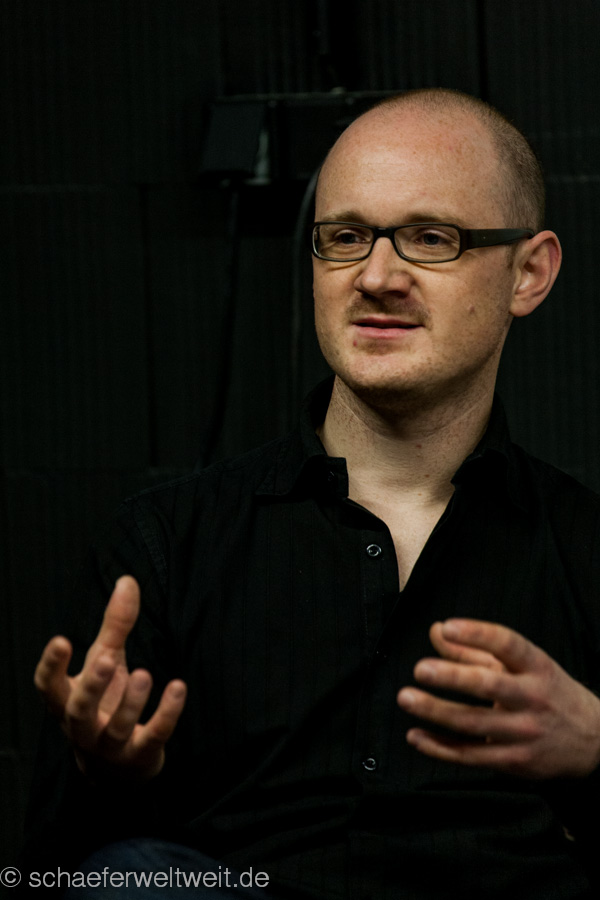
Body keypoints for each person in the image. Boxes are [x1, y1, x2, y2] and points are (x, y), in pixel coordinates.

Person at [26, 88, 600, 899]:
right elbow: (46, 870)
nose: (376, 277)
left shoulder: (583, 548)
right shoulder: (168, 544)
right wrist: (106, 774)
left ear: (529, 273)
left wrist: (595, 747)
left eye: (430, 238)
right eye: (347, 237)